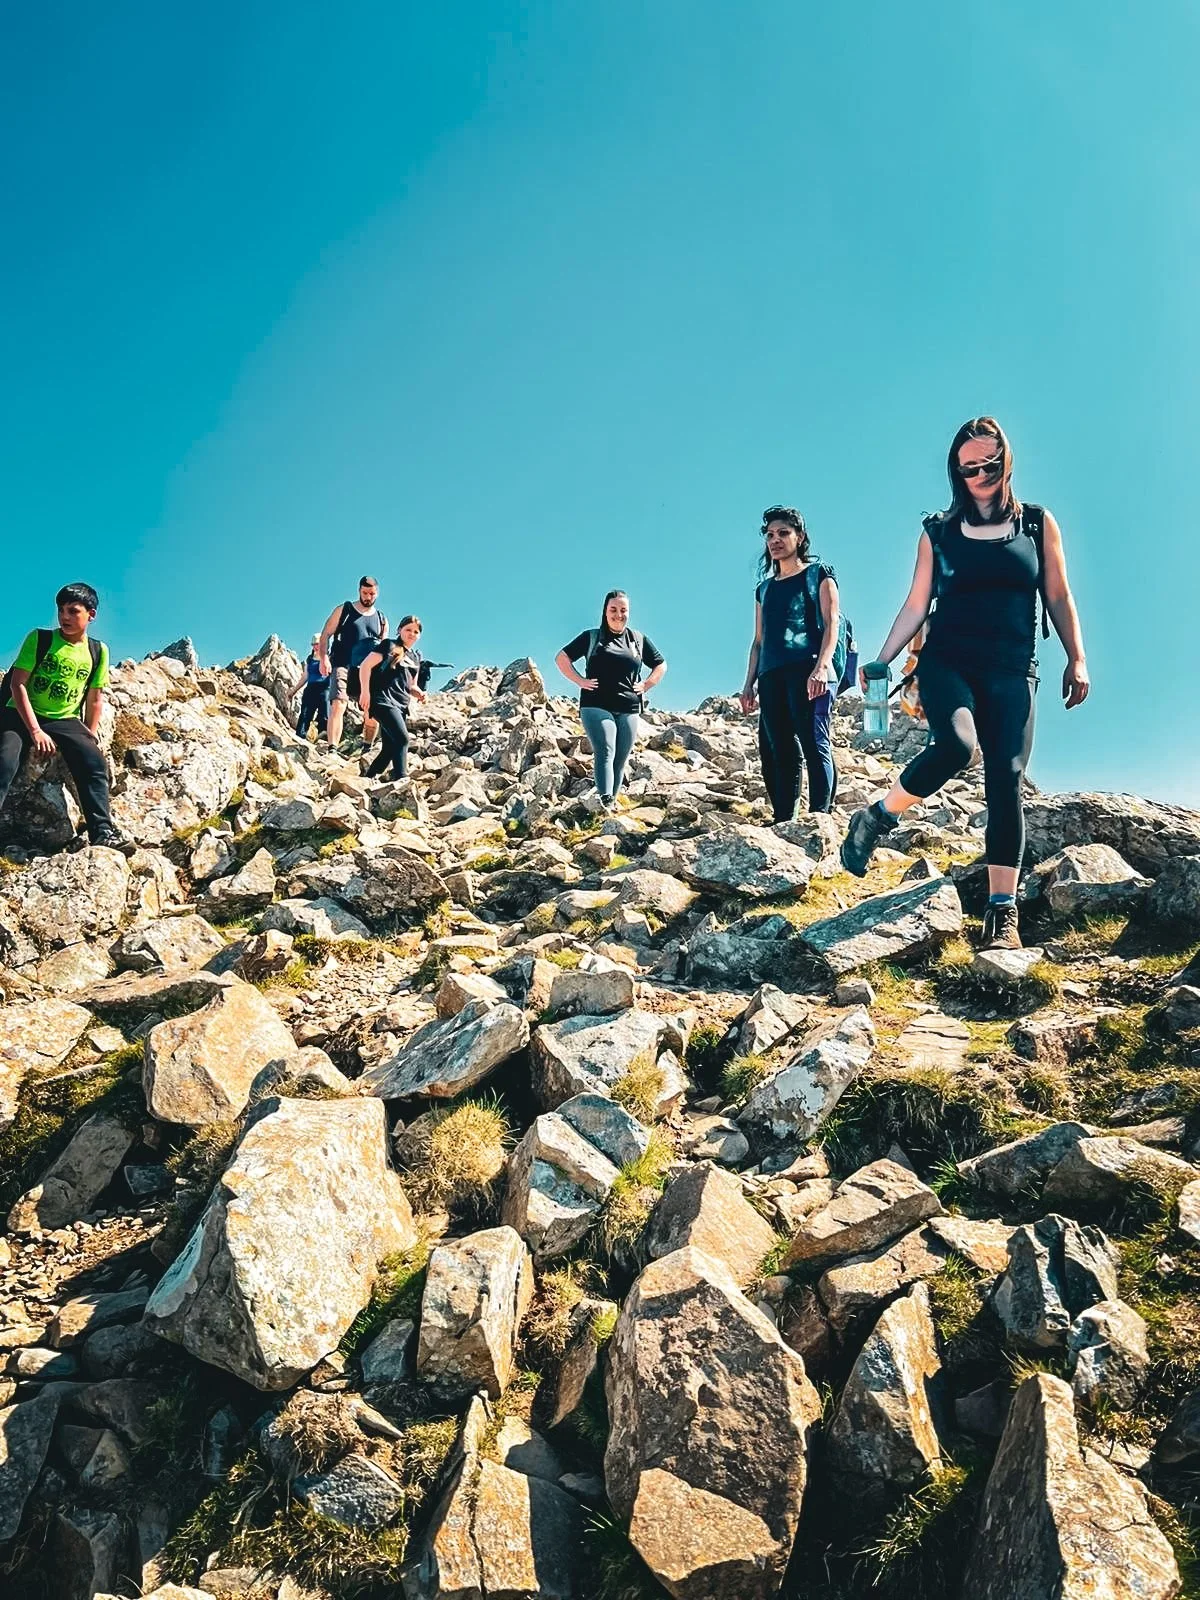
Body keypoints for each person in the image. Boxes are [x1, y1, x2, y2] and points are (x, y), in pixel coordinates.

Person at [839, 416, 1089, 951]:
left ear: (1007, 462)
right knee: (956, 745)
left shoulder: (1038, 525)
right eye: (968, 467)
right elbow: (916, 602)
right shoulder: (938, 531)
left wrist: (1077, 658)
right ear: (956, 470)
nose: (980, 475)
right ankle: (880, 817)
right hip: (948, 659)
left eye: (989, 465)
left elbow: (1059, 595)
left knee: (1007, 778)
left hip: (1013, 667)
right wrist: (882, 660)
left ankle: (1002, 913)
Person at [0, 583, 131, 853]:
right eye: (61, 610)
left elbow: (95, 697)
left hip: (64, 718)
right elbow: (18, 684)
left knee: (94, 762)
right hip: (20, 712)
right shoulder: (40, 639)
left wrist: (89, 735)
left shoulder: (98, 651)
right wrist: (35, 731)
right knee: (5, 761)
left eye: (73, 611)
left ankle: (102, 832)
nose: (65, 617)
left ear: (91, 615)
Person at [739, 506, 840, 820]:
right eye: (770, 535)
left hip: (808, 667)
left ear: (800, 537)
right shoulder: (764, 589)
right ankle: (785, 819)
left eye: (783, 533)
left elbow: (831, 621)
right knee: (778, 746)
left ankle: (820, 816)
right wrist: (748, 684)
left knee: (813, 740)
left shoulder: (818, 573)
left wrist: (822, 667)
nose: (775, 540)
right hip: (771, 673)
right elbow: (759, 641)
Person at [556, 592, 666, 808]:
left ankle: (610, 805)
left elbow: (660, 664)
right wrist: (580, 681)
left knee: (620, 757)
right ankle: (604, 798)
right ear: (605, 612)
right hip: (596, 704)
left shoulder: (638, 640)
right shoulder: (592, 637)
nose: (618, 615)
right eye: (613, 610)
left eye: (623, 610)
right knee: (606, 748)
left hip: (629, 706)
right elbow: (562, 658)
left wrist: (646, 685)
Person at [317, 576, 388, 751]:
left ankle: (367, 747)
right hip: (342, 663)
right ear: (359, 590)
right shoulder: (345, 610)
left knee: (371, 710)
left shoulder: (381, 619)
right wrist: (324, 658)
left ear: (377, 593)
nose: (368, 597)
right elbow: (325, 633)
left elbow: (383, 650)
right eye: (364, 593)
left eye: (371, 593)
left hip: (368, 671)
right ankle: (332, 748)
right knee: (338, 703)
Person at [357, 616, 426, 782]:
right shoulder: (389, 645)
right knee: (402, 739)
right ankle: (402, 780)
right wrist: (365, 692)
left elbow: (411, 686)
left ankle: (367, 779)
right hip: (382, 700)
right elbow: (366, 666)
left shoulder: (416, 658)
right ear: (399, 630)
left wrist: (420, 694)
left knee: (389, 748)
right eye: (408, 629)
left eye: (415, 631)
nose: (411, 634)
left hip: (400, 705)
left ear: (419, 636)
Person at [292, 634, 331, 741]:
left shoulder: (330, 658)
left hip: (325, 689)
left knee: (325, 715)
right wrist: (293, 691)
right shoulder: (310, 659)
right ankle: (300, 738)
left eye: (317, 644)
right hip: (310, 689)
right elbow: (305, 677)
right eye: (313, 644)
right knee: (305, 715)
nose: (315, 647)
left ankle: (323, 741)